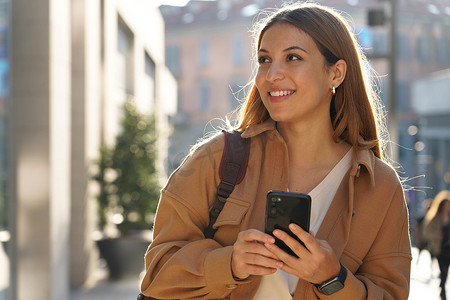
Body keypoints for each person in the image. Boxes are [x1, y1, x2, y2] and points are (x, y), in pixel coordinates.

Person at [140, 2, 412, 299]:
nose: (271, 75)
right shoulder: (216, 159)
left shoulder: (380, 186)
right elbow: (157, 275)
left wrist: (332, 278)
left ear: (336, 74)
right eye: (264, 59)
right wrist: (229, 263)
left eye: (293, 57)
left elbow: (391, 294)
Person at [422, 190, 450, 300]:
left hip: (449, 248)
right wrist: (436, 235)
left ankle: (442, 288)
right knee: (443, 270)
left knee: (446, 270)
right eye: (446, 205)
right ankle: (442, 290)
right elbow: (426, 232)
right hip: (439, 249)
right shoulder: (435, 217)